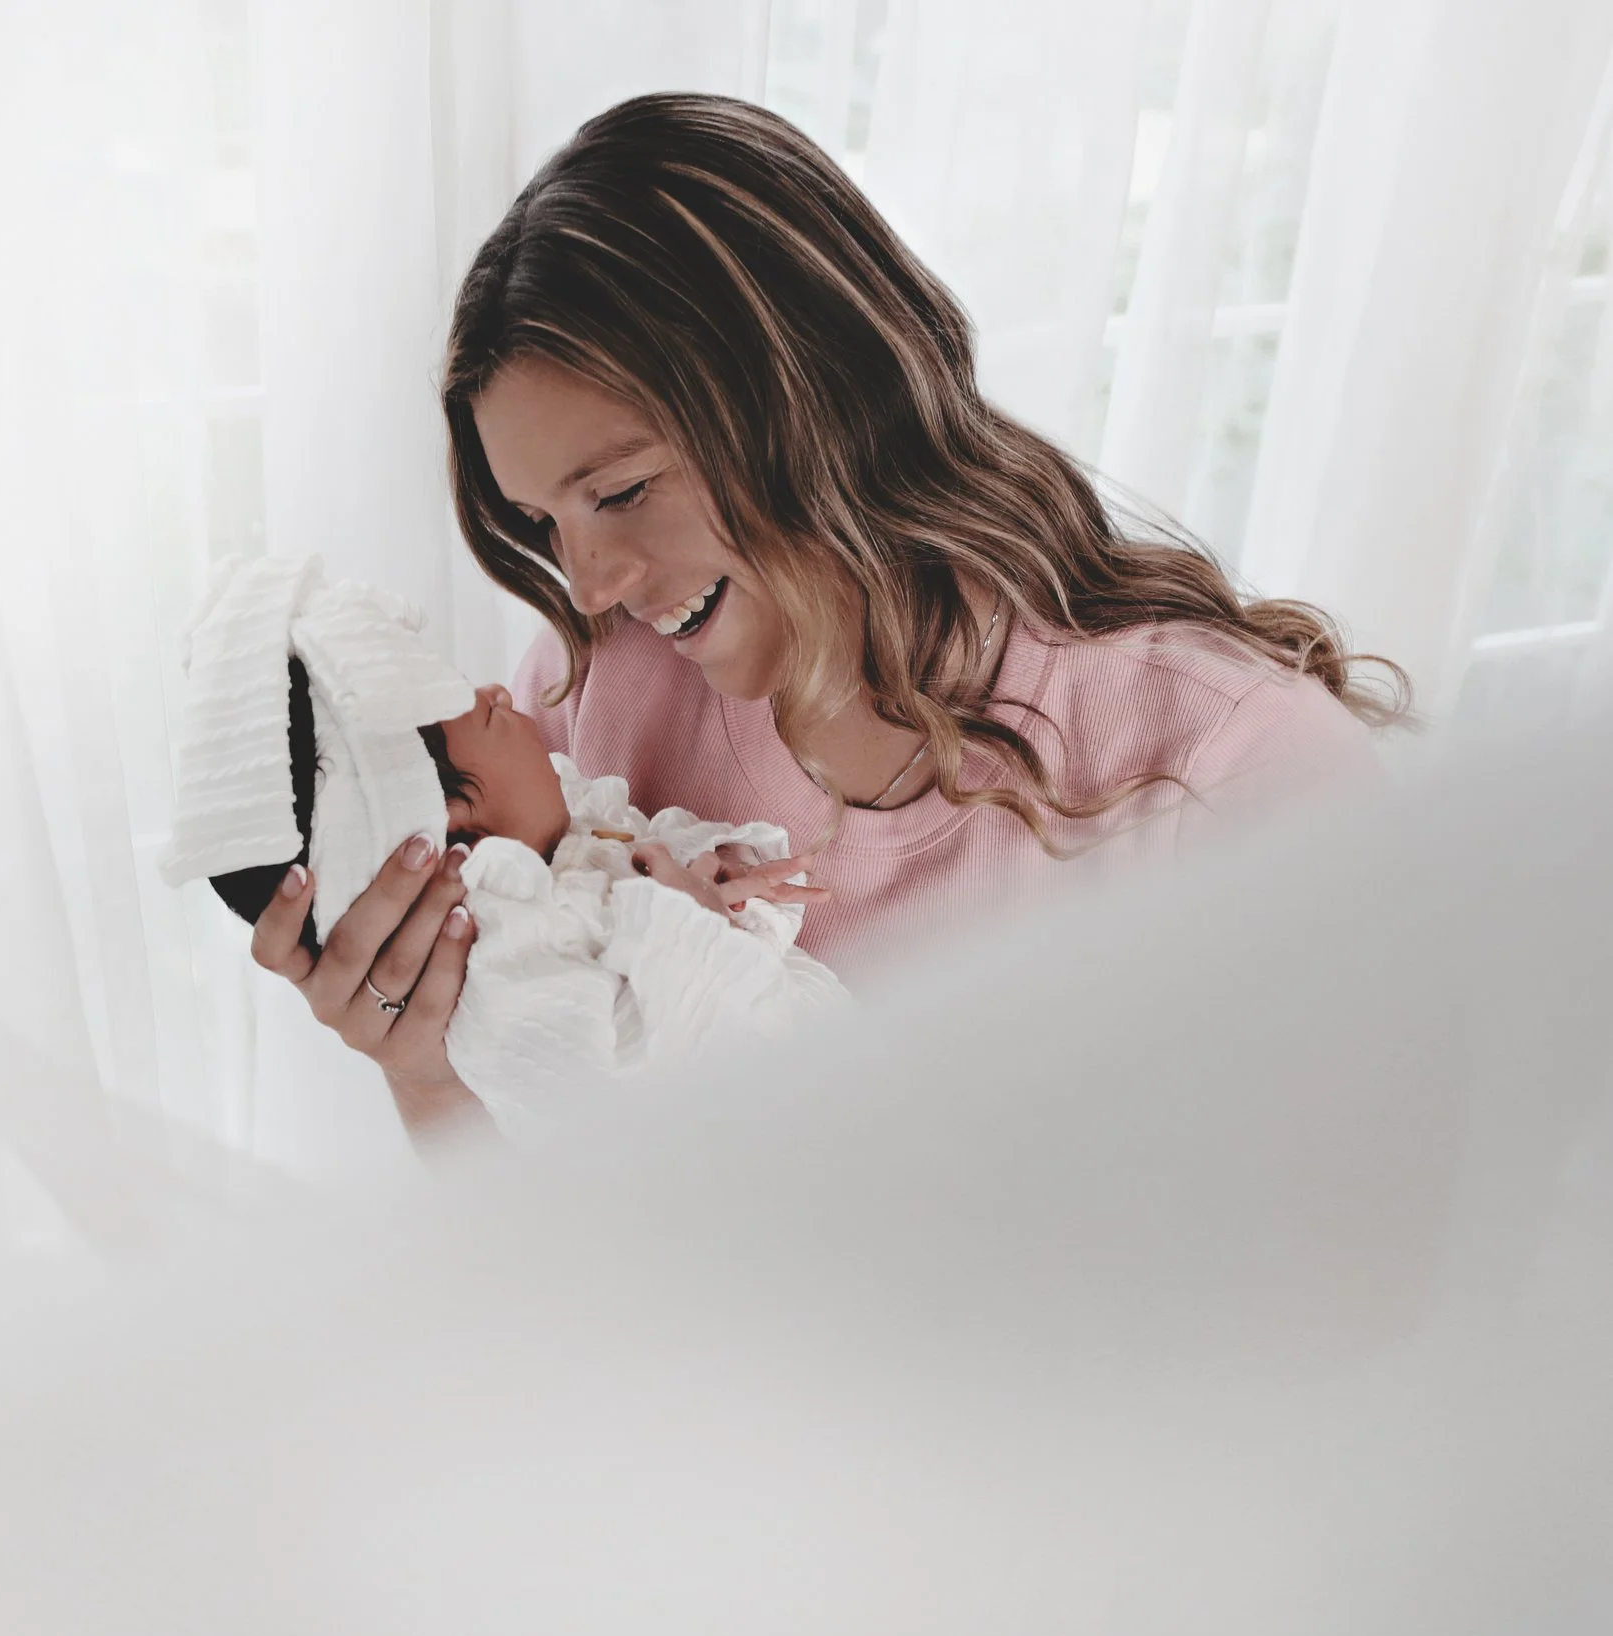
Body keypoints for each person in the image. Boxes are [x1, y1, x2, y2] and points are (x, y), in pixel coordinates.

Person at [247, 93, 1406, 1142]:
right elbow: (548, 1251)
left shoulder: (1225, 765)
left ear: (816, 394)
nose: (590, 580)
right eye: (545, 521)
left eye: (621, 491)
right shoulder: (592, 685)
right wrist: (430, 1071)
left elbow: (1353, 1280)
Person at [164, 553, 846, 1145]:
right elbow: (627, 1117)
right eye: (482, 706)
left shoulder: (551, 836)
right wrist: (690, 924)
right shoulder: (517, 966)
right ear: (461, 834)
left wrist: (705, 873)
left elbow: (621, 841)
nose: (498, 689)